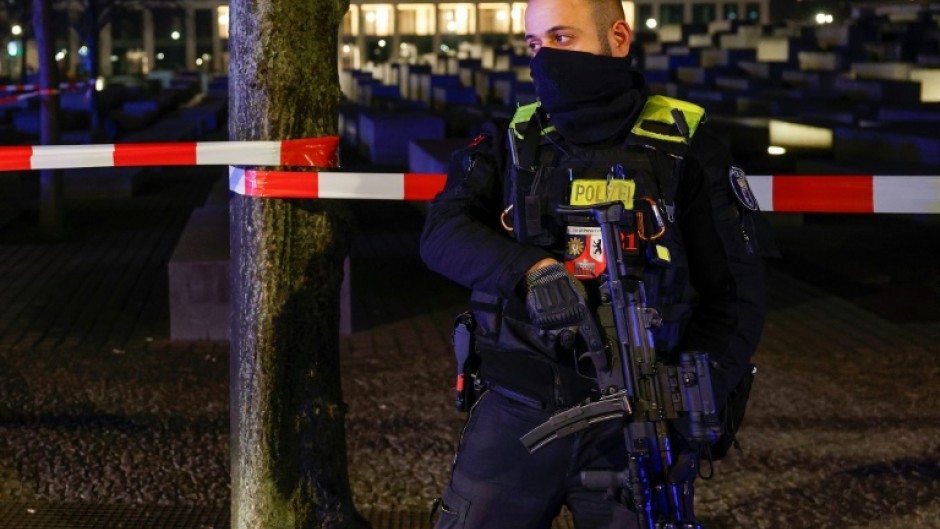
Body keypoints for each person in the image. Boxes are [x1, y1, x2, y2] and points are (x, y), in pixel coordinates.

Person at [420, 0, 772, 527]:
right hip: (516, 413)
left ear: (619, 39)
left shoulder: (687, 148)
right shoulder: (512, 140)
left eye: (562, 39)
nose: (544, 59)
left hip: (638, 420)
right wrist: (531, 270)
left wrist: (686, 401)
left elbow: (737, 297)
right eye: (535, 44)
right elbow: (442, 233)